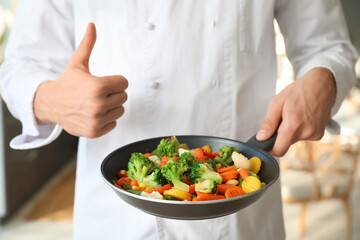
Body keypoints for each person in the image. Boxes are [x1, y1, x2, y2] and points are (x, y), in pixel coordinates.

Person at [0, 0, 357, 239]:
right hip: (118, 214)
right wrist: (48, 99)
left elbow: (328, 47)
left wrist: (323, 80)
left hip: (239, 214)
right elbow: (19, 66)